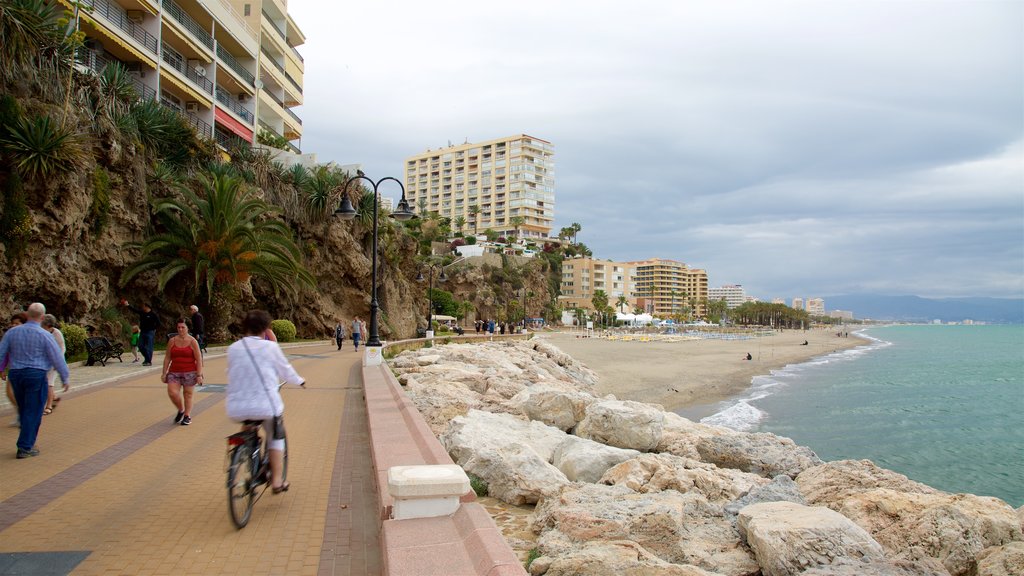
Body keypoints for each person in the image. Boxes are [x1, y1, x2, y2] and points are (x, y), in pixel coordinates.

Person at [226, 310, 305, 493]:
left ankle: (244, 459)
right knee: (275, 437)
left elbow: (231, 373)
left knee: (248, 427)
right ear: (265, 328)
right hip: (264, 405)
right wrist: (299, 381)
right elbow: (286, 370)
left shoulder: (234, 348)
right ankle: (277, 481)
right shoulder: (270, 348)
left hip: (236, 406)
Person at [0, 303, 69, 458]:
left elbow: (2, 351)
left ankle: (27, 440)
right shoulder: (44, 335)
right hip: (36, 375)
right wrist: (65, 377)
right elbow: (57, 357)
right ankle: (25, 446)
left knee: (24, 408)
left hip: (16, 374)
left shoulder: (12, 333)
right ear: (42, 317)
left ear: (27, 314)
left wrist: (1, 369)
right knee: (34, 410)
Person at [160, 318, 204, 426]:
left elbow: (199, 359)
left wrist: (199, 375)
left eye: (183, 327)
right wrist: (164, 373)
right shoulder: (172, 341)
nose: (180, 329)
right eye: (178, 327)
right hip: (174, 371)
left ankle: (187, 416)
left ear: (188, 328)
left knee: (188, 394)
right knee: (172, 392)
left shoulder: (193, 341)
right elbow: (167, 358)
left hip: (190, 372)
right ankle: (181, 410)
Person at [2, 312, 29, 427]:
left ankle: (24, 416)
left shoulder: (29, 335)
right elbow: (4, 353)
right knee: (9, 393)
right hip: (14, 370)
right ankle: (21, 413)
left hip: (29, 370)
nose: (13, 325)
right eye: (12, 323)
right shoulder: (10, 335)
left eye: (17, 323)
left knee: (24, 394)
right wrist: (1, 369)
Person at [42, 314, 65, 415]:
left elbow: (62, 348)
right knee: (44, 382)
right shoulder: (41, 332)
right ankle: (54, 397)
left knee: (49, 384)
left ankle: (49, 406)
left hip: (55, 362)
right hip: (44, 362)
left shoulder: (57, 333)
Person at [122, 300, 158, 366]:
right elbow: (134, 310)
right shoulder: (142, 313)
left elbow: (158, 323)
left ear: (147, 306)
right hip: (143, 332)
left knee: (149, 347)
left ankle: (148, 361)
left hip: (150, 332)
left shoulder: (153, 315)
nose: (142, 307)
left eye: (143, 306)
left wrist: (154, 329)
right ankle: (147, 359)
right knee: (140, 346)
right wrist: (128, 305)